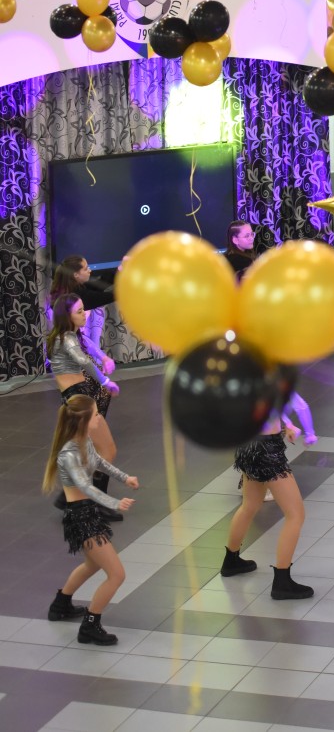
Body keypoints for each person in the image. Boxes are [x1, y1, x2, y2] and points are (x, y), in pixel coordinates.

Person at [41, 395, 138, 645]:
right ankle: (90, 626)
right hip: (81, 518)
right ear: (83, 421)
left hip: (87, 513)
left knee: (93, 565)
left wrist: (125, 477)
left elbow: (100, 462)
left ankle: (61, 604)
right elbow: (85, 486)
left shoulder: (84, 442)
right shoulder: (68, 454)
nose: (99, 418)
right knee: (116, 575)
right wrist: (115, 503)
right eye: (96, 415)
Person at [222, 412, 313, 600]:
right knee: (296, 515)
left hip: (247, 443)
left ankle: (231, 561)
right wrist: (292, 425)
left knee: (250, 505)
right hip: (267, 449)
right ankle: (282, 582)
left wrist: (285, 423)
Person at [47, 294, 122, 521]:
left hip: (80, 398)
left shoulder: (68, 336)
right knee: (105, 451)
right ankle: (90, 503)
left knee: (96, 452)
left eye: (84, 309)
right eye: (79, 311)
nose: (85, 314)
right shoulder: (66, 339)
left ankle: (77, 499)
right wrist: (106, 381)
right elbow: (83, 361)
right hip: (79, 401)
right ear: (67, 316)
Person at [49, 255, 115, 357]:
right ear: (76, 275)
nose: (90, 271)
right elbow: (101, 296)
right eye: (85, 269)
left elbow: (98, 284)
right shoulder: (73, 296)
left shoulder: (67, 288)